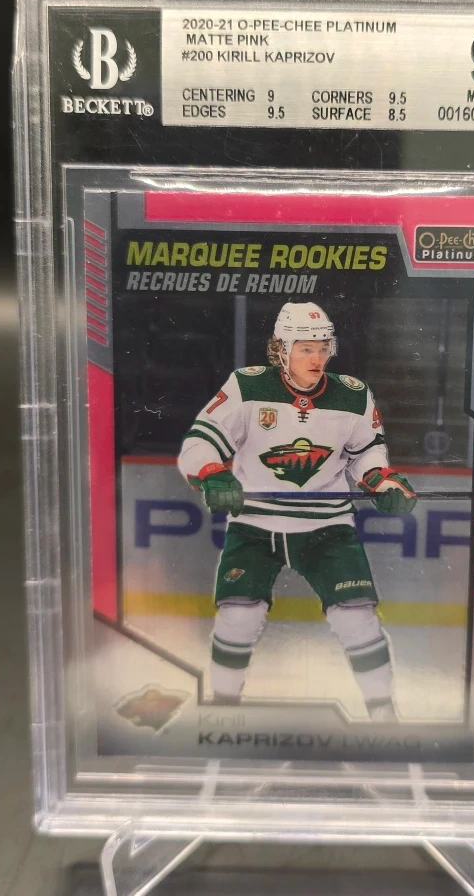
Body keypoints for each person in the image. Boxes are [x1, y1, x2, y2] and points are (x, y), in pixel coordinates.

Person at [178, 301, 416, 720]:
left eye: (323, 348)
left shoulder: (353, 394)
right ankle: (222, 710)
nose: (317, 358)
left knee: (357, 618)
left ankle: (383, 713)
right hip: (254, 523)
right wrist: (213, 473)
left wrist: (381, 481)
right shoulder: (247, 386)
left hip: (327, 524)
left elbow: (366, 453)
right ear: (281, 350)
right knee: (238, 617)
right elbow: (200, 443)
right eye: (306, 349)